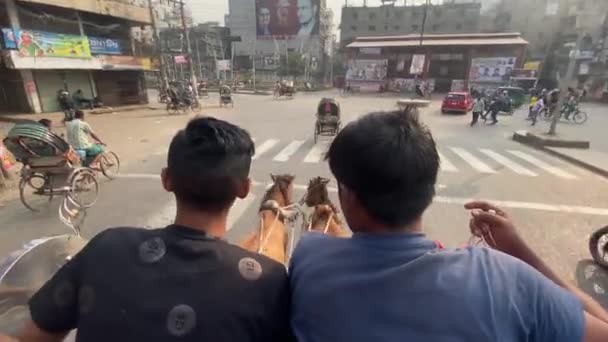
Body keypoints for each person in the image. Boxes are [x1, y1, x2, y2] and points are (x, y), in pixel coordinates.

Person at [289, 110, 608, 342]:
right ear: (428, 191)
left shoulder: (310, 255)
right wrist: (520, 251)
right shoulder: (506, 281)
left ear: (349, 195)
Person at [8, 117, 291, 342]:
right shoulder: (269, 280)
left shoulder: (107, 247)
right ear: (244, 189)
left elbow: (28, 336)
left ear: (166, 180)